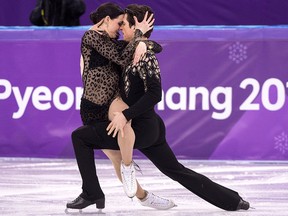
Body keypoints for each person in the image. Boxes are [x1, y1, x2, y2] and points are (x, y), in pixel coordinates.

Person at [71, 3, 250, 212]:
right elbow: (139, 49)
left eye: (124, 25)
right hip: (148, 126)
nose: (121, 30)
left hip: (142, 127)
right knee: (175, 170)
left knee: (81, 137)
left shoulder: (142, 56)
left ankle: (122, 182)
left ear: (135, 27)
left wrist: (144, 43)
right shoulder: (124, 49)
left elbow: (155, 93)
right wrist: (143, 42)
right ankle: (232, 200)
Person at [66, 2, 176, 212]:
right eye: (119, 23)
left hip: (112, 100)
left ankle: (128, 169)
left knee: (124, 122)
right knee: (115, 158)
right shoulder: (91, 37)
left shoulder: (114, 41)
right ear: (106, 20)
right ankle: (143, 196)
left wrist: (144, 42)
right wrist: (139, 38)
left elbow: (156, 47)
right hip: (91, 108)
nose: (119, 28)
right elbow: (121, 56)